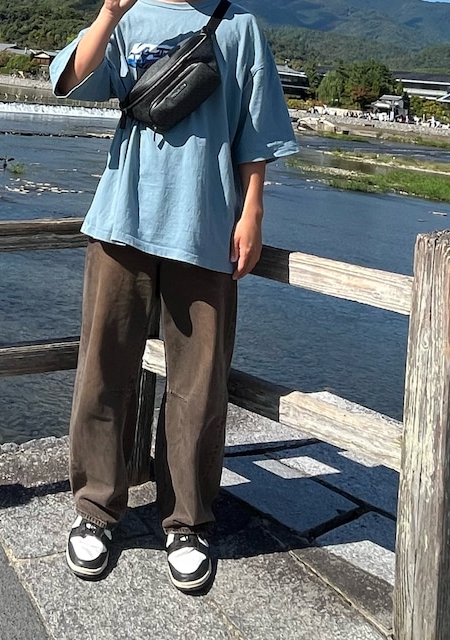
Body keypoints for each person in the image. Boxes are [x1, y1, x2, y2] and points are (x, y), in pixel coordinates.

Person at [50, 0, 298, 593]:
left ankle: (187, 521)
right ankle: (95, 508)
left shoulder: (239, 27)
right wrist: (108, 14)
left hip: (205, 227)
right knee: (104, 370)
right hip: (121, 221)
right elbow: (73, 78)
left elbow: (256, 129)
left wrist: (253, 212)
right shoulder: (129, 17)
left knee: (200, 384)